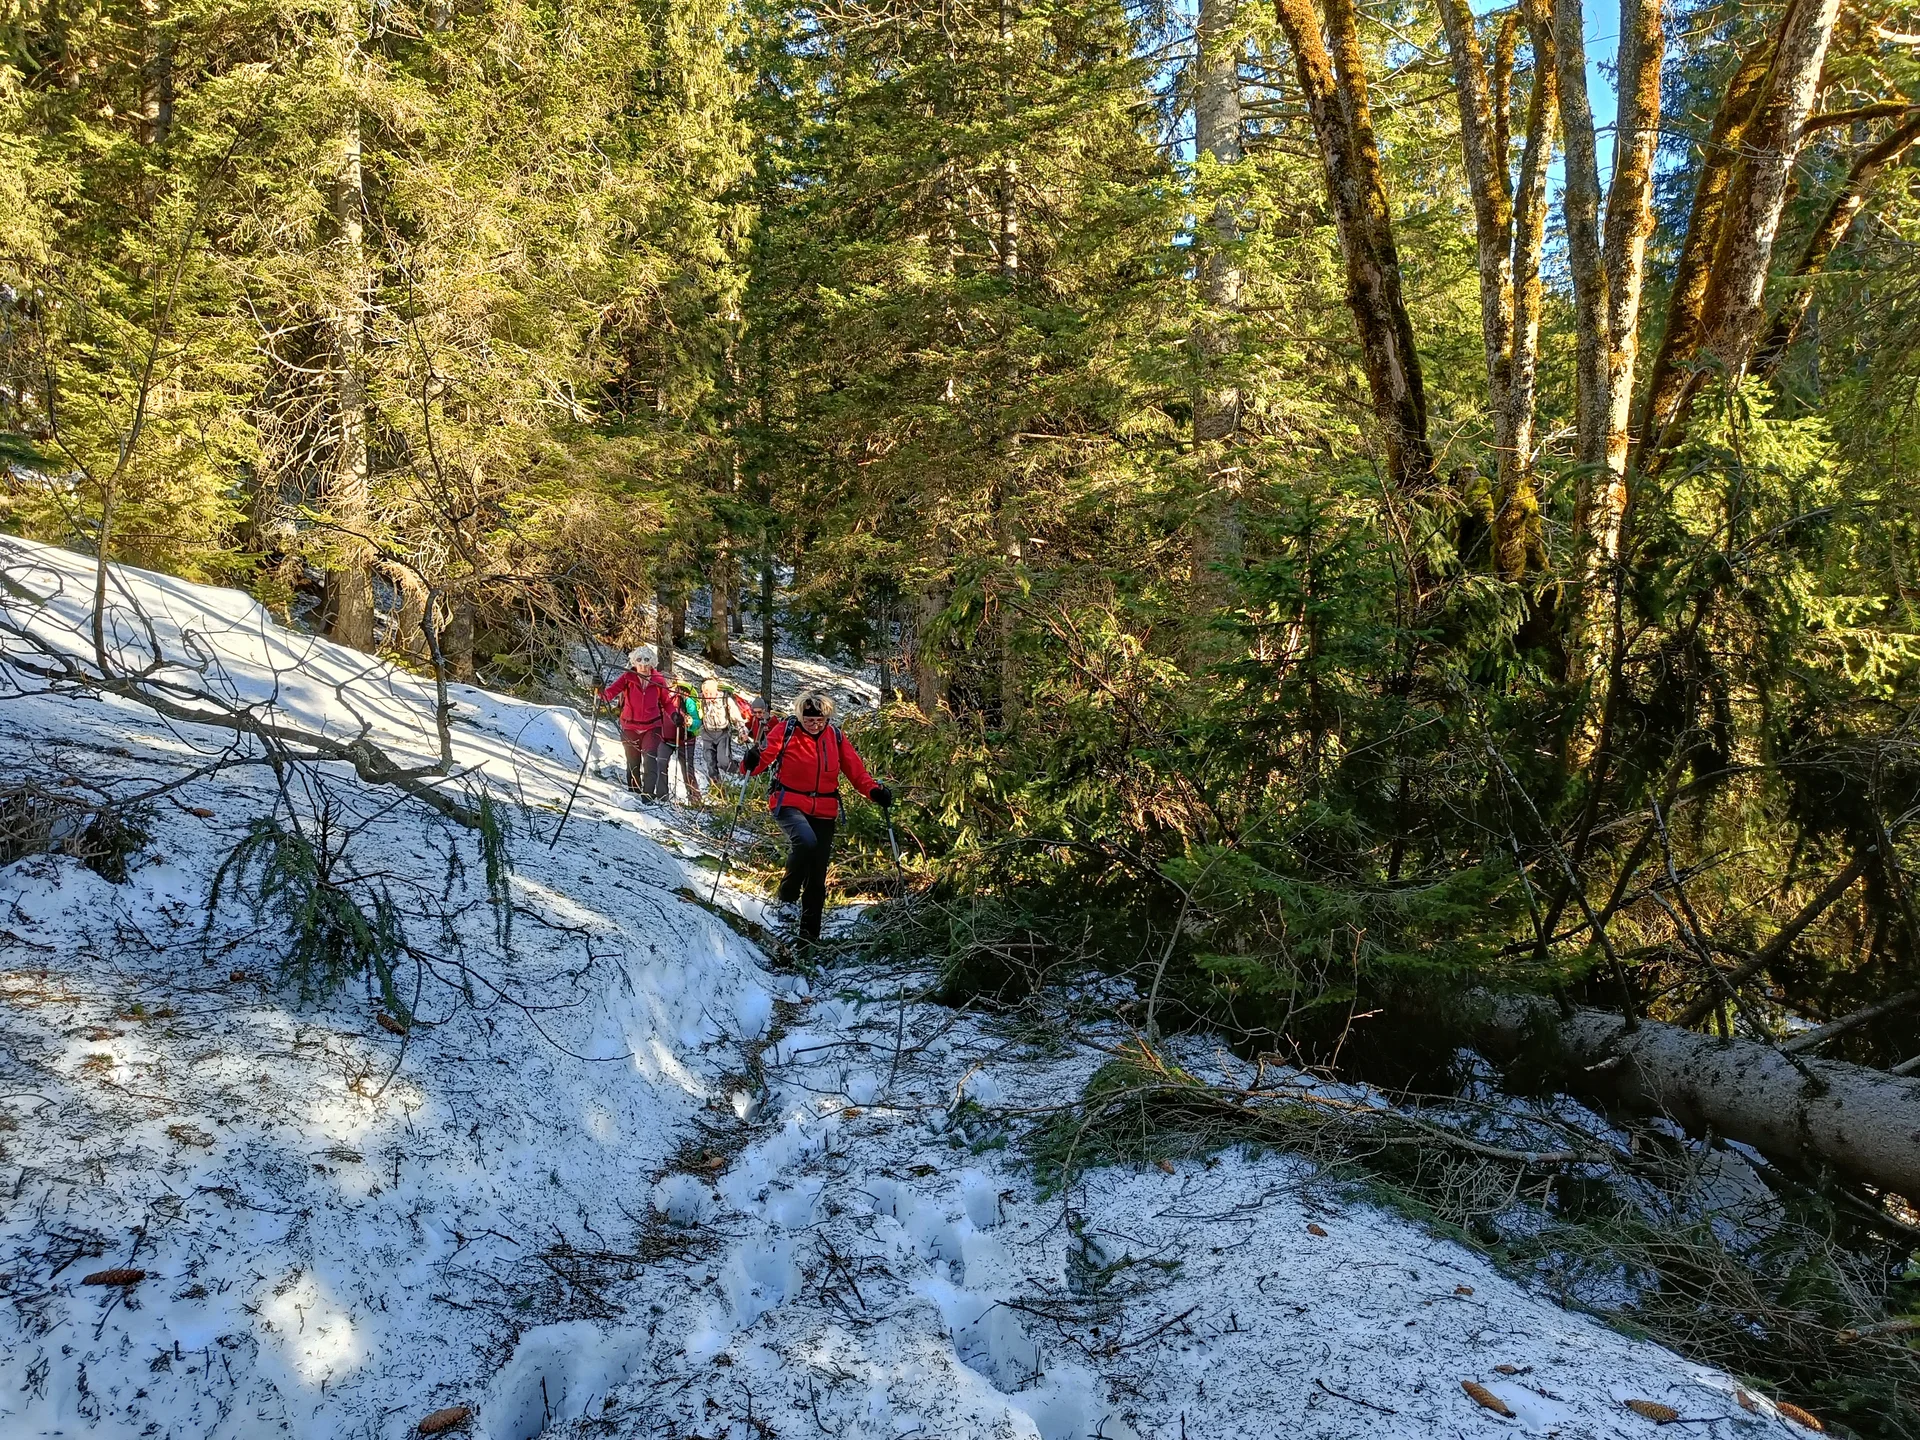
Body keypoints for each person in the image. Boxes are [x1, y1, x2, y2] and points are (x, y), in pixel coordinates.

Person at [741, 691, 891, 944]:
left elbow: (856, 772)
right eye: (809, 720)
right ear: (800, 716)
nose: (814, 725)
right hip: (788, 801)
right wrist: (750, 760)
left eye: (820, 720)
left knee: (817, 878)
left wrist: (874, 792)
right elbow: (758, 764)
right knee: (805, 840)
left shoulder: (835, 737)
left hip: (824, 807)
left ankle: (808, 940)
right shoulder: (786, 731)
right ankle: (787, 898)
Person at [600, 646, 673, 797]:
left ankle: (648, 794)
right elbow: (610, 693)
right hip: (629, 726)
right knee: (633, 761)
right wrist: (599, 689)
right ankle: (634, 792)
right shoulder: (628, 677)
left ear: (652, 662)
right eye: (639, 661)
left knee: (650, 759)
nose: (643, 665)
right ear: (634, 662)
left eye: (647, 661)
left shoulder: (659, 680)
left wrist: (675, 715)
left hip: (652, 726)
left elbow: (667, 703)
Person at [663, 679, 703, 804]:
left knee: (687, 768)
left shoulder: (687, 699)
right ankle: (663, 797)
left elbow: (697, 721)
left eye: (671, 686)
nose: (668, 689)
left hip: (686, 738)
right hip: (665, 738)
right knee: (661, 765)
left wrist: (690, 723)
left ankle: (695, 799)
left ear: (676, 685)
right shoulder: (659, 696)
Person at [698, 677, 734, 787]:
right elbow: (695, 713)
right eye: (705, 693)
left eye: (710, 692)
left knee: (723, 761)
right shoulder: (699, 700)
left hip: (722, 732)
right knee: (710, 761)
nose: (707, 695)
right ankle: (716, 786)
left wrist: (743, 732)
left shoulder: (725, 699)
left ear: (716, 691)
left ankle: (738, 770)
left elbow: (736, 717)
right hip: (707, 733)